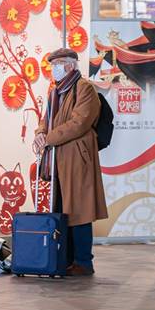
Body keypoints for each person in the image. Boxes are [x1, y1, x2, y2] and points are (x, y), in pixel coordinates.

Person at [32, 47, 108, 277]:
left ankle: (83, 262)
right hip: (58, 158)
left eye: (58, 64)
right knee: (61, 209)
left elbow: (80, 123)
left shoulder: (84, 88)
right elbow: (46, 120)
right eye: (52, 65)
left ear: (70, 65)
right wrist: (40, 133)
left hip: (77, 158)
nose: (54, 69)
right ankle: (64, 259)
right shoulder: (55, 92)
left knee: (79, 210)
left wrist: (48, 138)